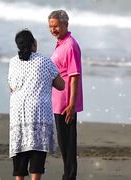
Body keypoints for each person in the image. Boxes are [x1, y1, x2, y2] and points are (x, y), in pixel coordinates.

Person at [8, 29, 64, 180]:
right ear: (34, 43)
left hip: (18, 113)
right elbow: (61, 85)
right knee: (37, 153)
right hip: (39, 112)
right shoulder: (45, 61)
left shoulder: (13, 62)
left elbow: (11, 87)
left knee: (20, 153)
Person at [48, 10, 83, 180]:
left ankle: (69, 177)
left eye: (56, 26)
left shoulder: (70, 45)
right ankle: (67, 176)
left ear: (65, 25)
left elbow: (74, 76)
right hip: (57, 102)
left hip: (66, 104)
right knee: (63, 143)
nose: (53, 29)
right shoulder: (61, 43)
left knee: (68, 145)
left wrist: (71, 105)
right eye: (50, 26)